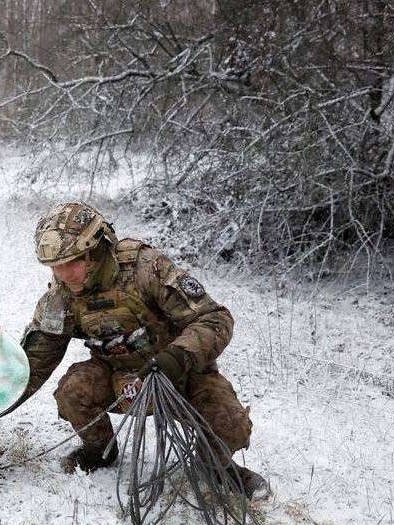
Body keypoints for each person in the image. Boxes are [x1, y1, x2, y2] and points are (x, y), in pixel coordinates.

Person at [18, 201, 270, 499]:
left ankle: (218, 467)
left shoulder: (146, 268)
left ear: (95, 251)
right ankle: (99, 451)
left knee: (229, 423)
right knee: (74, 390)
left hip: (179, 374)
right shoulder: (61, 295)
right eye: (54, 267)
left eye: (71, 263)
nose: (62, 274)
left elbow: (215, 318)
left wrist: (176, 358)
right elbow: (35, 360)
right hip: (119, 379)